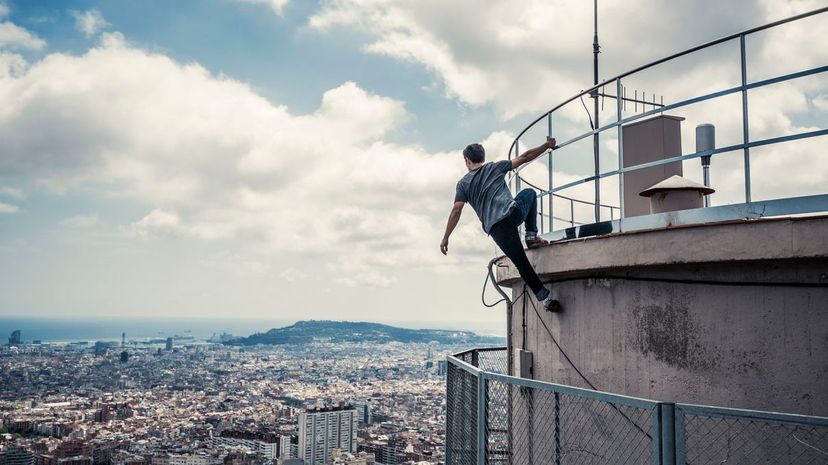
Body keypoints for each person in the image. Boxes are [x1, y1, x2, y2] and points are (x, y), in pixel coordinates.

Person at [440, 137, 559, 312]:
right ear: (483, 157)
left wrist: (445, 237)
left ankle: (546, 300)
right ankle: (531, 235)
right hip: (512, 215)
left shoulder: (463, 184)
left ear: (467, 160)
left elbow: (456, 210)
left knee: (522, 264)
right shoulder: (495, 167)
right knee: (529, 193)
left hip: (497, 230)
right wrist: (547, 146)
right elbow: (525, 157)